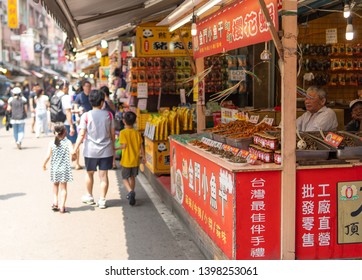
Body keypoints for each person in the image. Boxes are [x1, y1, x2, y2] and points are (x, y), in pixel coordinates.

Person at [72, 89, 115, 209]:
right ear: (102, 102)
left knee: (89, 173)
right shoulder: (109, 115)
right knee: (103, 175)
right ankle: (102, 200)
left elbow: (81, 134)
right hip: (106, 150)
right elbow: (112, 134)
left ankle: (90, 196)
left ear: (90, 102)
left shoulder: (85, 116)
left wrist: (75, 149)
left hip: (90, 150)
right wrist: (113, 148)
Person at [43, 123, 75, 213]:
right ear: (65, 132)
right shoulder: (68, 142)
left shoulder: (52, 143)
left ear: (54, 132)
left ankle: (55, 202)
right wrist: (74, 154)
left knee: (55, 185)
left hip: (55, 169)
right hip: (64, 169)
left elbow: (48, 156)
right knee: (63, 188)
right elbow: (72, 152)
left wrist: (44, 164)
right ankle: (62, 206)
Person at [115, 111, 145, 206]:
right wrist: (143, 157)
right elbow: (141, 146)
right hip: (135, 160)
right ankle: (132, 193)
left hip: (126, 160)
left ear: (124, 121)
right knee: (132, 177)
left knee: (124, 178)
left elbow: (124, 146)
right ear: (135, 121)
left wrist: (115, 148)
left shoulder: (123, 133)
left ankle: (130, 192)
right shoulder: (137, 133)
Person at [55, 79, 81, 169]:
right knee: (74, 143)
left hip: (58, 123)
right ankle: (77, 164)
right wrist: (71, 126)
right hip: (66, 123)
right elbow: (68, 112)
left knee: (60, 144)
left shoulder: (56, 95)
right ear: (65, 87)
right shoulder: (65, 97)